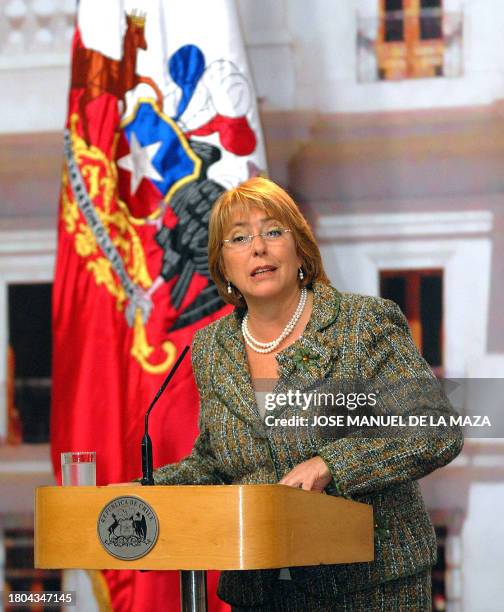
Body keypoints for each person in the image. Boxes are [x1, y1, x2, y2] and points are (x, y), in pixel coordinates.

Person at [151, 177, 464, 611]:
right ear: (222, 266)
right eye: (238, 239)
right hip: (261, 592)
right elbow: (215, 461)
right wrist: (139, 492)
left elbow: (435, 431)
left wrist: (330, 464)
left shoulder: (362, 323)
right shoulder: (212, 348)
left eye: (273, 232)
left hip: (369, 589)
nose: (257, 248)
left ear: (300, 248)